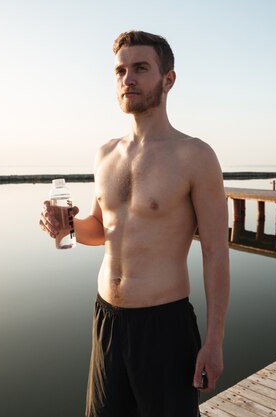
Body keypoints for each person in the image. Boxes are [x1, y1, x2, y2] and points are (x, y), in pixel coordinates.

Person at [39, 30, 230, 417]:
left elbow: (215, 252)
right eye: (120, 70)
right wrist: (69, 226)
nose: (128, 79)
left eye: (141, 68)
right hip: (107, 320)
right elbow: (100, 228)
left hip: (164, 326)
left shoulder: (194, 156)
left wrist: (213, 341)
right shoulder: (105, 154)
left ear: (168, 79)